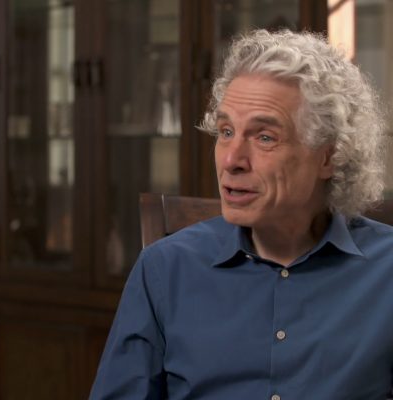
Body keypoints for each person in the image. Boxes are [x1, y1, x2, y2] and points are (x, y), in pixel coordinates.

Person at [89, 29, 393, 400]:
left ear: (328, 156)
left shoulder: (386, 272)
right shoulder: (164, 270)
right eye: (226, 131)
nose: (231, 160)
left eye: (264, 137)